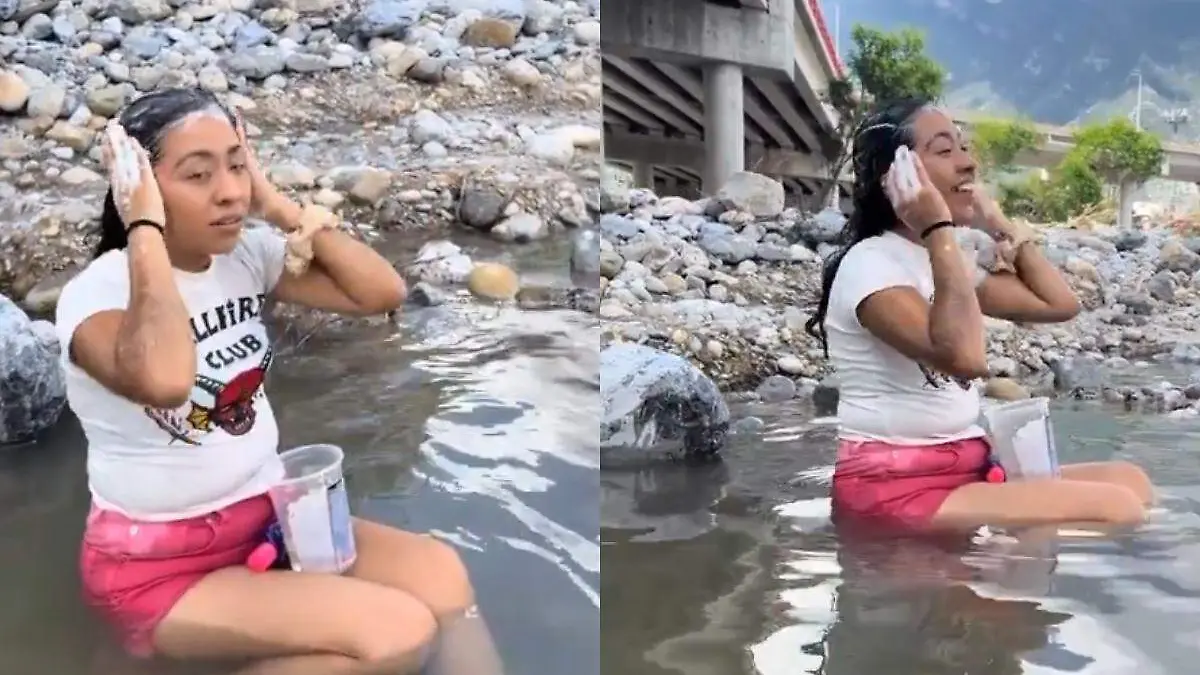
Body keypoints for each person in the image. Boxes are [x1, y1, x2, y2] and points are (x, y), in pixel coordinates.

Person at [56, 87, 504, 675]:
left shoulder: (244, 258)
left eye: (237, 166)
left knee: (440, 577)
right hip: (158, 569)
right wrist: (143, 226)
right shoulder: (96, 294)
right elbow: (165, 381)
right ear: (141, 187)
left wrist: (279, 207)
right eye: (197, 174)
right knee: (395, 634)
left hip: (270, 519)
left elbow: (379, 293)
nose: (229, 191)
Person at [804, 98, 1155, 533]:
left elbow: (1059, 305)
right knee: (1116, 508)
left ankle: (1004, 574)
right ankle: (1003, 577)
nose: (968, 163)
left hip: (964, 462)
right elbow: (965, 359)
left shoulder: (939, 260)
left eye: (963, 148)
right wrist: (938, 230)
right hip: (896, 485)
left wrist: (999, 223)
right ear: (897, 177)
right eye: (945, 150)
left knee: (1131, 483)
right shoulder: (870, 265)